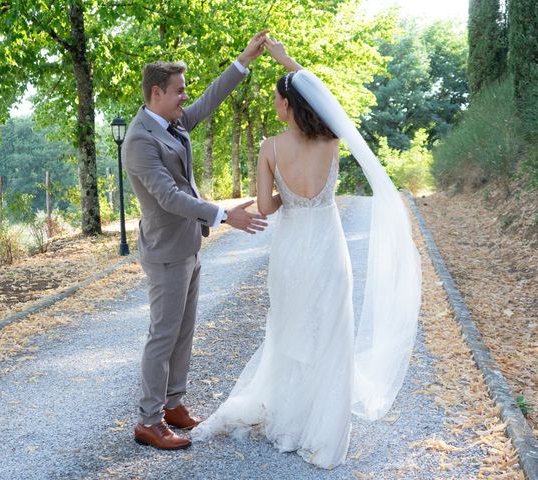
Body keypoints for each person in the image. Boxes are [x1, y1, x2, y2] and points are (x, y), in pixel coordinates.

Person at [192, 39, 422, 469]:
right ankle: (324, 428)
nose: (276, 106)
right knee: (331, 332)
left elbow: (264, 207)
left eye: (279, 100)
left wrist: (284, 195)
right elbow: (324, 98)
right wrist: (284, 61)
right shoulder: (331, 139)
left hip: (292, 247)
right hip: (328, 245)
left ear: (288, 103)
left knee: (290, 329)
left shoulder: (270, 148)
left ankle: (290, 417)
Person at [122, 31, 270, 450]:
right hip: (165, 253)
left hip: (188, 245)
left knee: (183, 332)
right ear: (156, 93)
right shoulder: (138, 141)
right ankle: (148, 421)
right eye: (178, 92)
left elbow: (209, 99)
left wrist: (244, 59)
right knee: (163, 335)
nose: (185, 98)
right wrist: (224, 214)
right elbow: (169, 197)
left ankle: (173, 405)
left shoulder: (171, 121)